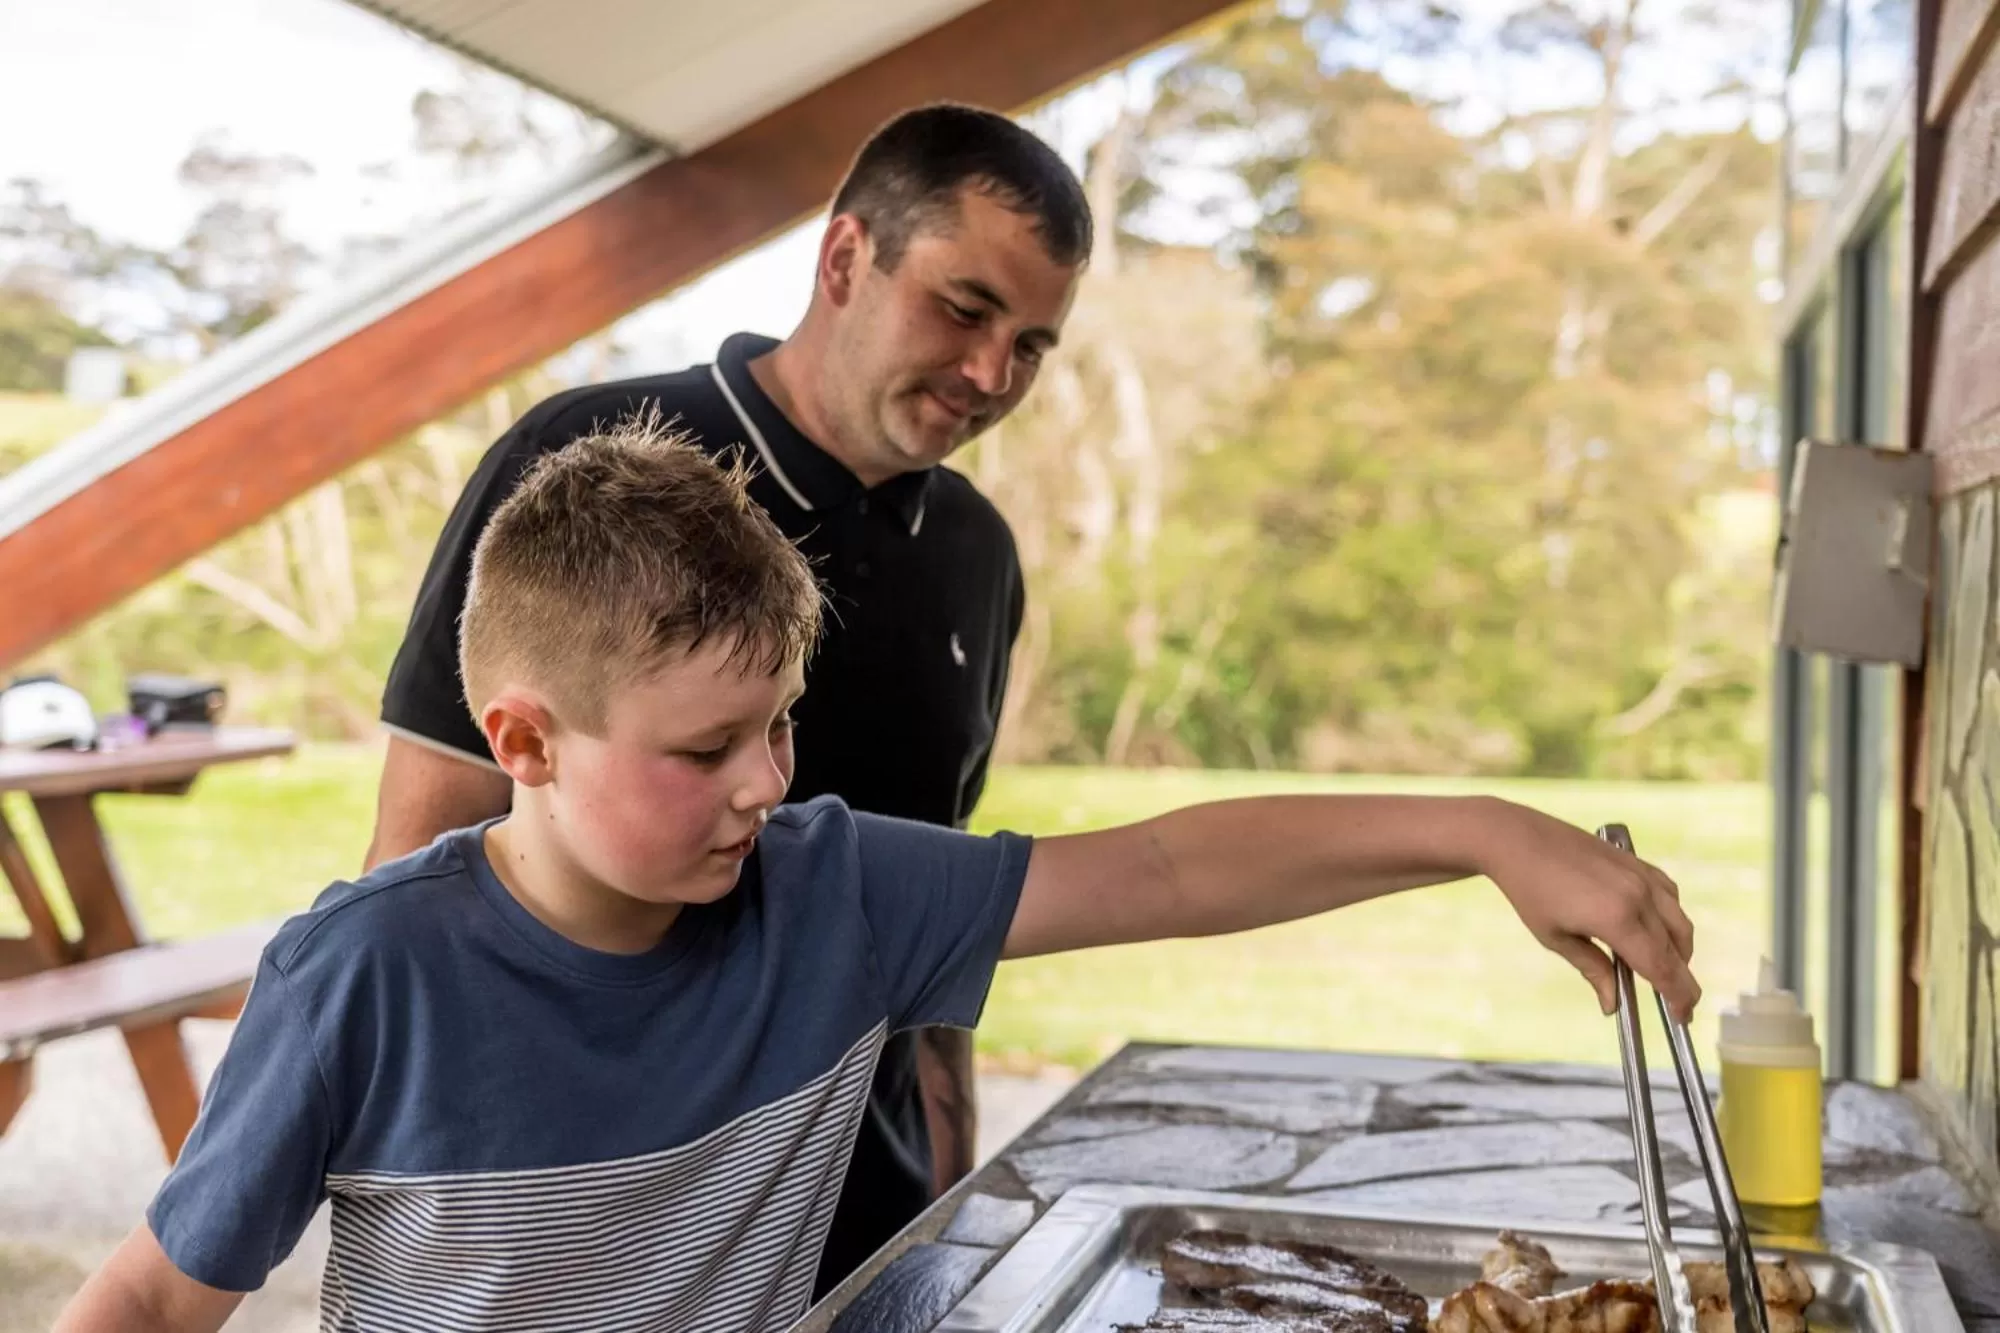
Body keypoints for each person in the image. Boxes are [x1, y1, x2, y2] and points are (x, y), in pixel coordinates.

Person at [57, 424, 1700, 1333]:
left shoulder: (828, 891)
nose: (768, 783)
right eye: (707, 750)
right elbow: (148, 1292)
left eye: (780, 723)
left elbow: (1175, 861)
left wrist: (1484, 825)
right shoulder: (366, 972)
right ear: (524, 739)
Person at [362, 100, 1085, 1295]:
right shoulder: (593, 450)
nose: (988, 373)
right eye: (963, 310)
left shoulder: (978, 551)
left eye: (1030, 345)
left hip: (865, 1235)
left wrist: (951, 1204)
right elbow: (419, 861)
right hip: (591, 1231)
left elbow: (939, 905)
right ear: (846, 257)